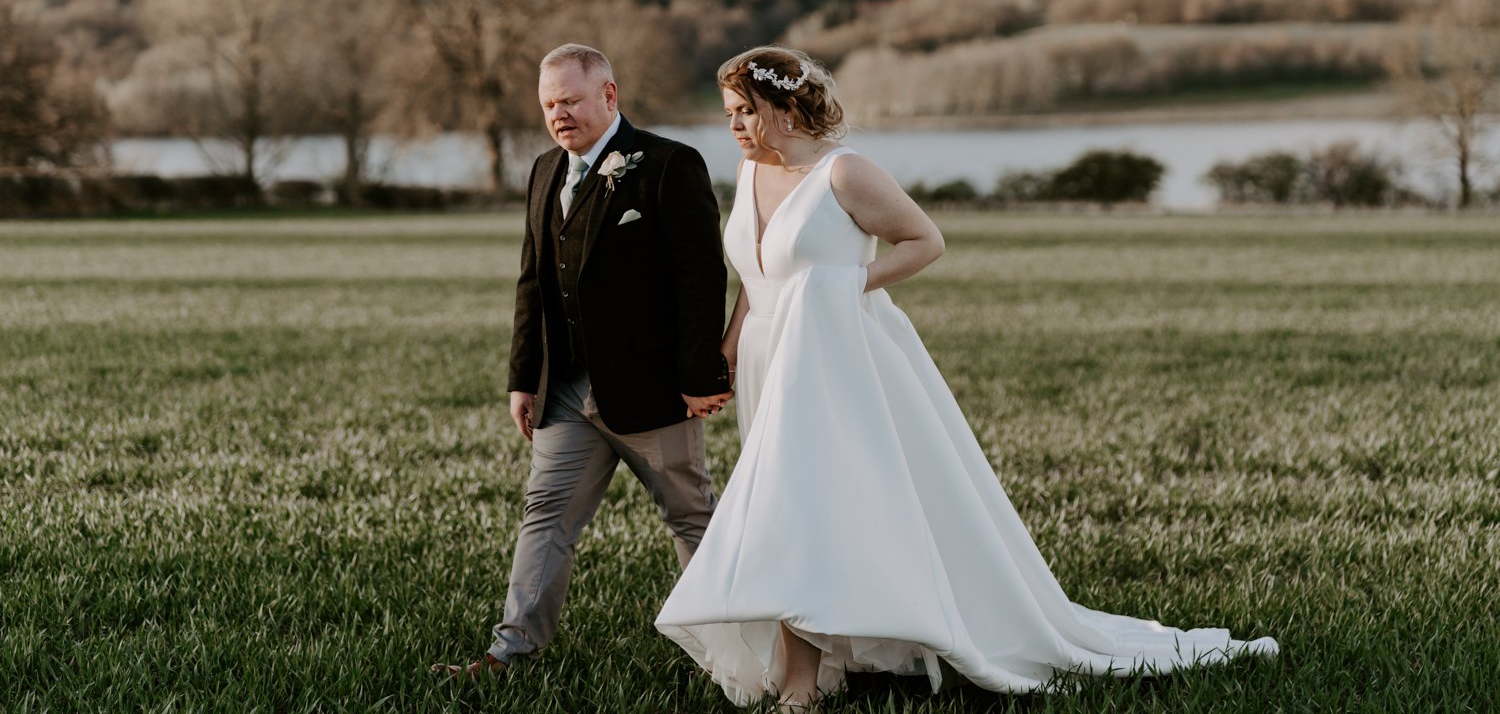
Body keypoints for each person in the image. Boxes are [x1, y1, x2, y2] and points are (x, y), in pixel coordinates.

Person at [655, 46, 1278, 710]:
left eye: (745, 112)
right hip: (766, 357)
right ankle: (823, 653)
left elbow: (925, 241)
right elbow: (756, 278)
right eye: (728, 115)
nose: (735, 128)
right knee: (789, 507)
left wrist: (842, 288)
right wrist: (725, 349)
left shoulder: (845, 174)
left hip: (834, 358)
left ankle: (806, 680)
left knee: (800, 509)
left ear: (784, 108)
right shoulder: (752, 175)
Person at [435, 43, 734, 680]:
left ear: (609, 95)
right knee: (544, 515)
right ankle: (512, 652)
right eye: (549, 104)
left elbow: (700, 279)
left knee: (690, 519)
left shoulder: (668, 165)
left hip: (651, 391)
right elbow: (531, 281)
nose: (559, 115)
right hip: (565, 391)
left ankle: (733, 655)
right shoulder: (545, 170)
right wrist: (523, 377)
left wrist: (699, 376)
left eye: (570, 100)